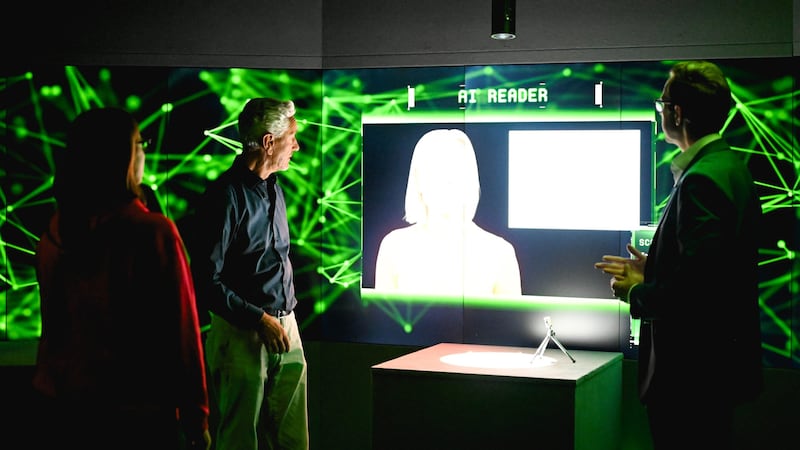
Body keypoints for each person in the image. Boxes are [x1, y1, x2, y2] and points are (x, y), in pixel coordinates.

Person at [594, 61, 763, 449]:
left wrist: (635, 292)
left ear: (678, 113)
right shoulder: (730, 168)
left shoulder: (702, 180)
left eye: (662, 104)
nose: (661, 112)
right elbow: (712, 270)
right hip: (714, 373)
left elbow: (695, 294)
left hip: (690, 378)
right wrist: (653, 267)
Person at [32, 107, 211, 449]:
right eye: (140, 143)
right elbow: (182, 336)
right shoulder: (153, 233)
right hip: (136, 416)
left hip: (60, 410)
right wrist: (196, 418)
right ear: (124, 155)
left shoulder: (53, 234)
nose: (145, 151)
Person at [189, 98, 309, 449]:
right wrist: (259, 319)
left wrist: (279, 320)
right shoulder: (224, 196)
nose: (297, 146)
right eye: (292, 137)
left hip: (286, 328)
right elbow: (205, 281)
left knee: (293, 441)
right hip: (243, 335)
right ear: (269, 141)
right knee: (239, 439)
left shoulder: (275, 187)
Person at [374, 128, 522, 296]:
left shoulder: (500, 252)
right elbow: (382, 318)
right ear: (418, 181)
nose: (447, 183)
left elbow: (511, 321)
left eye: (456, 172)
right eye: (436, 172)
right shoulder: (394, 246)